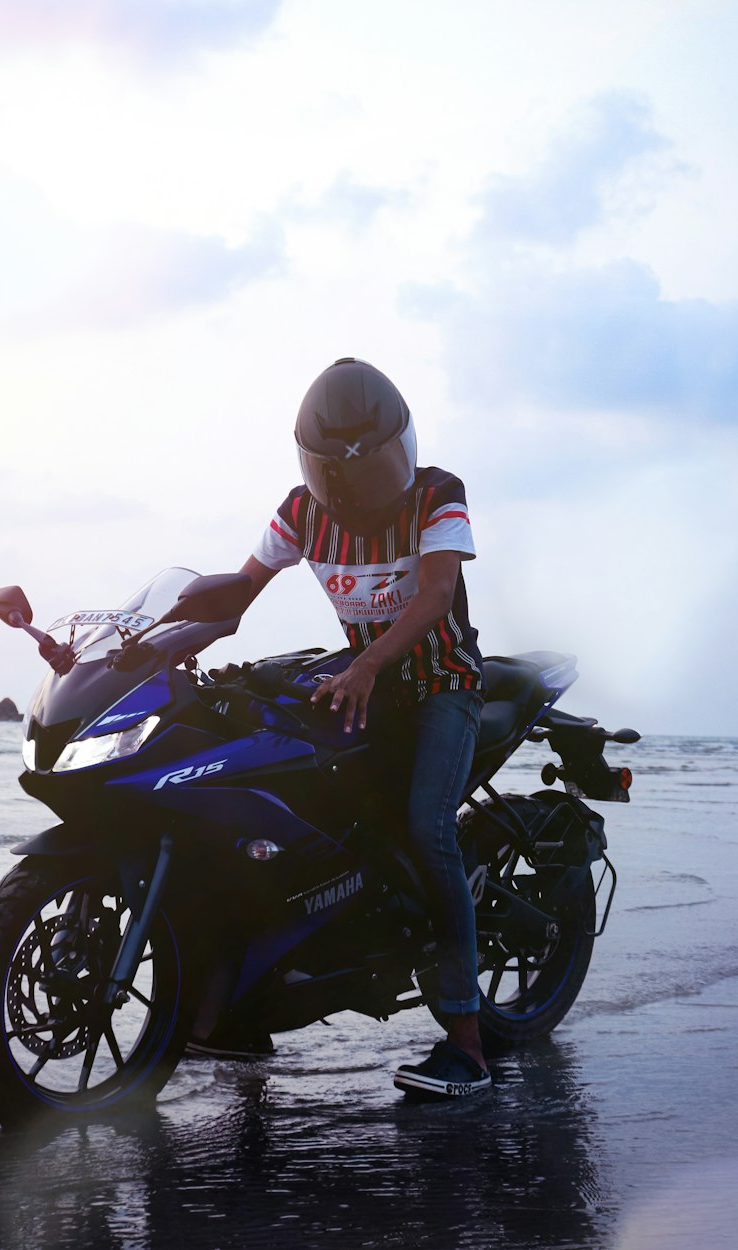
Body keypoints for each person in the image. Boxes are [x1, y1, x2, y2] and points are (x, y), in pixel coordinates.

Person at [234, 356, 489, 1098]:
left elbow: (437, 594)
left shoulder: (440, 494)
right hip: (363, 685)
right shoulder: (301, 513)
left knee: (427, 826)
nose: (369, 488)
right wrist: (151, 642)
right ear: (320, 470)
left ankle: (468, 1046)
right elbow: (237, 594)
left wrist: (370, 664)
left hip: (443, 685)